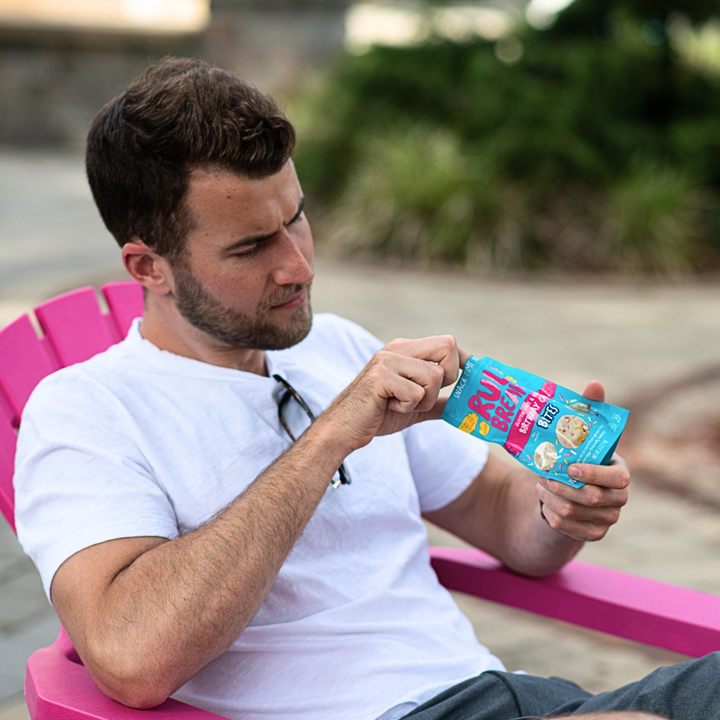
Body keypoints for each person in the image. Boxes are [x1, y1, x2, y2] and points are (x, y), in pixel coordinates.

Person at [12, 58, 717, 720]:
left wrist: (560, 503)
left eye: (296, 219)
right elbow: (131, 658)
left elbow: (509, 526)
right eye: (252, 246)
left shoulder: (339, 347)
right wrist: (330, 436)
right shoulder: (86, 413)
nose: (297, 266)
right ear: (147, 266)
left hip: (515, 698)